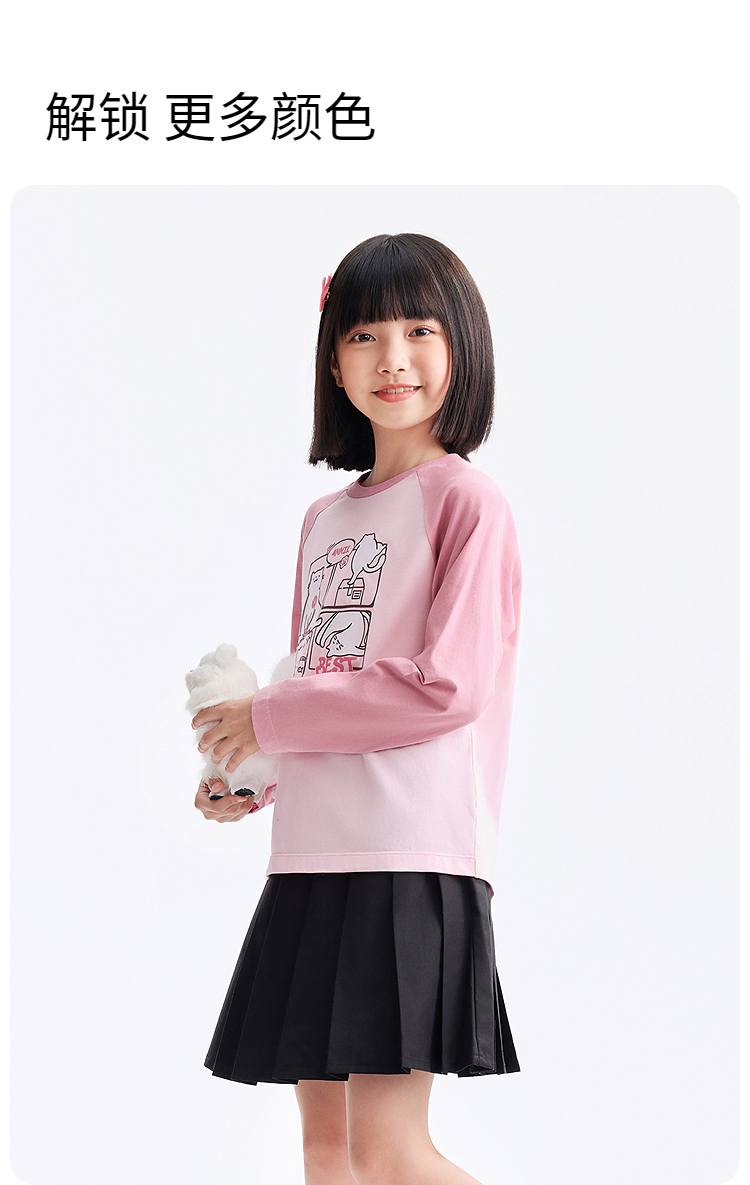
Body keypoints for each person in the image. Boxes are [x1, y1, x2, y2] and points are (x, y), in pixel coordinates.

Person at [192, 232, 522, 1185]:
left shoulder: (468, 502)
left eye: (420, 330)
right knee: (329, 1155)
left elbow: (448, 685)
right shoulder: (324, 520)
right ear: (334, 362)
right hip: (312, 855)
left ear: (461, 346)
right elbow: (318, 675)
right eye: (364, 334)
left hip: (408, 854)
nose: (393, 358)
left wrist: (270, 716)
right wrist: (251, 778)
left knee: (389, 1154)